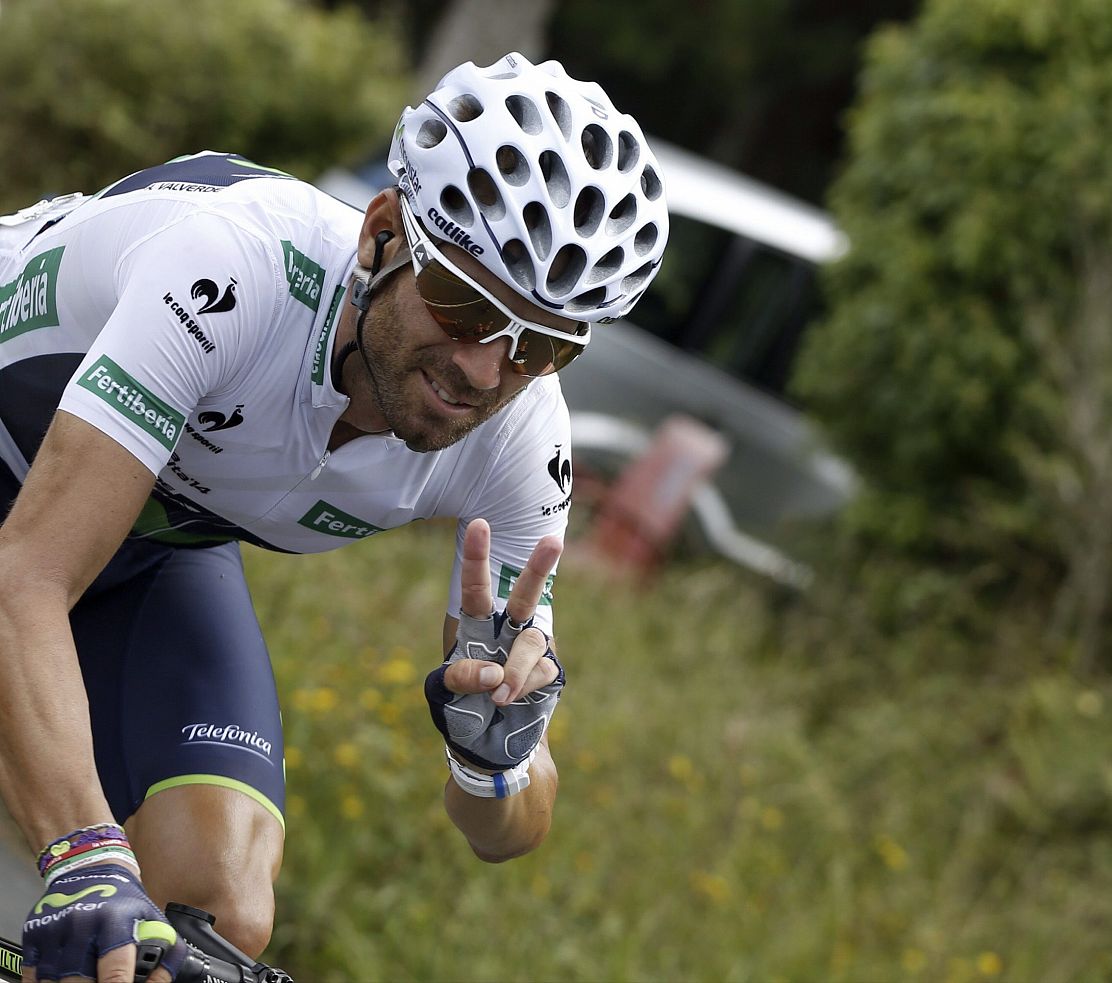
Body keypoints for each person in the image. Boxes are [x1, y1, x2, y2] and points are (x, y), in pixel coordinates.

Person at [0, 52, 668, 982]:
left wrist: (497, 760)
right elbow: (24, 576)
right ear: (383, 234)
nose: (485, 370)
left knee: (210, 918)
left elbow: (510, 833)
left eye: (543, 344)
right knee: (93, 884)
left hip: (154, 539)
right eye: (463, 304)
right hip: (21, 481)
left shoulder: (521, 440)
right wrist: (82, 854)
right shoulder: (233, 271)